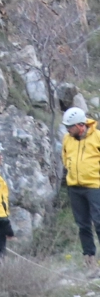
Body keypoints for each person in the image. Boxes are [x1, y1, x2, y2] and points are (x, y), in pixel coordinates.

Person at [65, 107, 100, 269]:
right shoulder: (67, 139)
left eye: (70, 127)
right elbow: (65, 158)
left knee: (99, 222)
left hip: (95, 186)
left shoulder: (98, 137)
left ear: (80, 126)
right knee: (83, 225)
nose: (67, 130)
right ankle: (89, 259)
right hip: (75, 188)